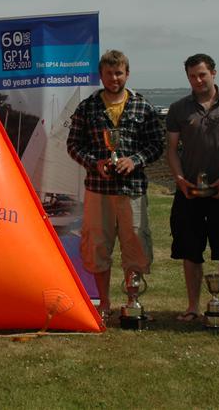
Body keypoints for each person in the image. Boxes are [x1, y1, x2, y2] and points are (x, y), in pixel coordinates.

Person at [67, 49, 165, 319]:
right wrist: (94, 163)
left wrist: (135, 160)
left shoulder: (143, 106)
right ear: (101, 75)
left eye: (118, 72)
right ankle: (105, 304)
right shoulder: (87, 107)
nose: (114, 78)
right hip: (99, 189)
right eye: (109, 73)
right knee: (97, 245)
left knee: (135, 242)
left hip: (132, 189)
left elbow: (158, 144)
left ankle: (132, 303)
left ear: (127, 74)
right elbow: (73, 145)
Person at [166, 54, 219, 324]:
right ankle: (192, 307)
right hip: (189, 193)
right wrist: (180, 179)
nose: (198, 80)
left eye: (202, 74)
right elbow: (171, 150)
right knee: (190, 251)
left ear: (214, 73)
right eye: (192, 76)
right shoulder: (178, 108)